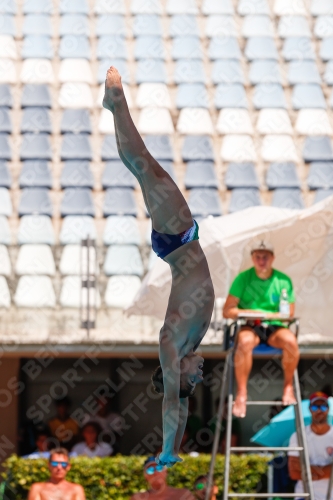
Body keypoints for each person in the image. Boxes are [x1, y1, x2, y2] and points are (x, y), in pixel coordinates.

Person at [103, 66, 215, 467]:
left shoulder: (171, 345)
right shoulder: (190, 344)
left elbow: (172, 399)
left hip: (179, 238)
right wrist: (177, 444)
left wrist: (168, 448)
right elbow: (179, 401)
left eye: (194, 379)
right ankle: (115, 106)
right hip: (180, 242)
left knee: (144, 164)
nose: (201, 376)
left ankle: (115, 104)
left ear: (176, 373)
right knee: (142, 168)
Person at [223, 241, 299, 418]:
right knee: (244, 341)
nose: (261, 260)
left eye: (265, 257)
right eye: (258, 256)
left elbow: (289, 314)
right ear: (252, 259)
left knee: (291, 341)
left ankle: (288, 387)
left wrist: (272, 316)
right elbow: (227, 311)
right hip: (251, 325)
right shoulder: (243, 279)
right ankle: (241, 393)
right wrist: (250, 312)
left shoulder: (282, 280)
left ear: (272, 258)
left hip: (275, 327)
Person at [288, 391, 333, 500]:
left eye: (323, 407)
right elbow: (294, 473)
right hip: (304, 496)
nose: (319, 410)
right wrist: (326, 471)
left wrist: (305, 469)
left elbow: (298, 470)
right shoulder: (298, 436)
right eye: (315, 407)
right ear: (309, 409)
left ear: (328, 409)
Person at [130, 456, 195, 499]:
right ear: (145, 476)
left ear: (165, 472)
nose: (156, 472)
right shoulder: (138, 498)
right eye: (150, 470)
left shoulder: (183, 494)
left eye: (159, 468)